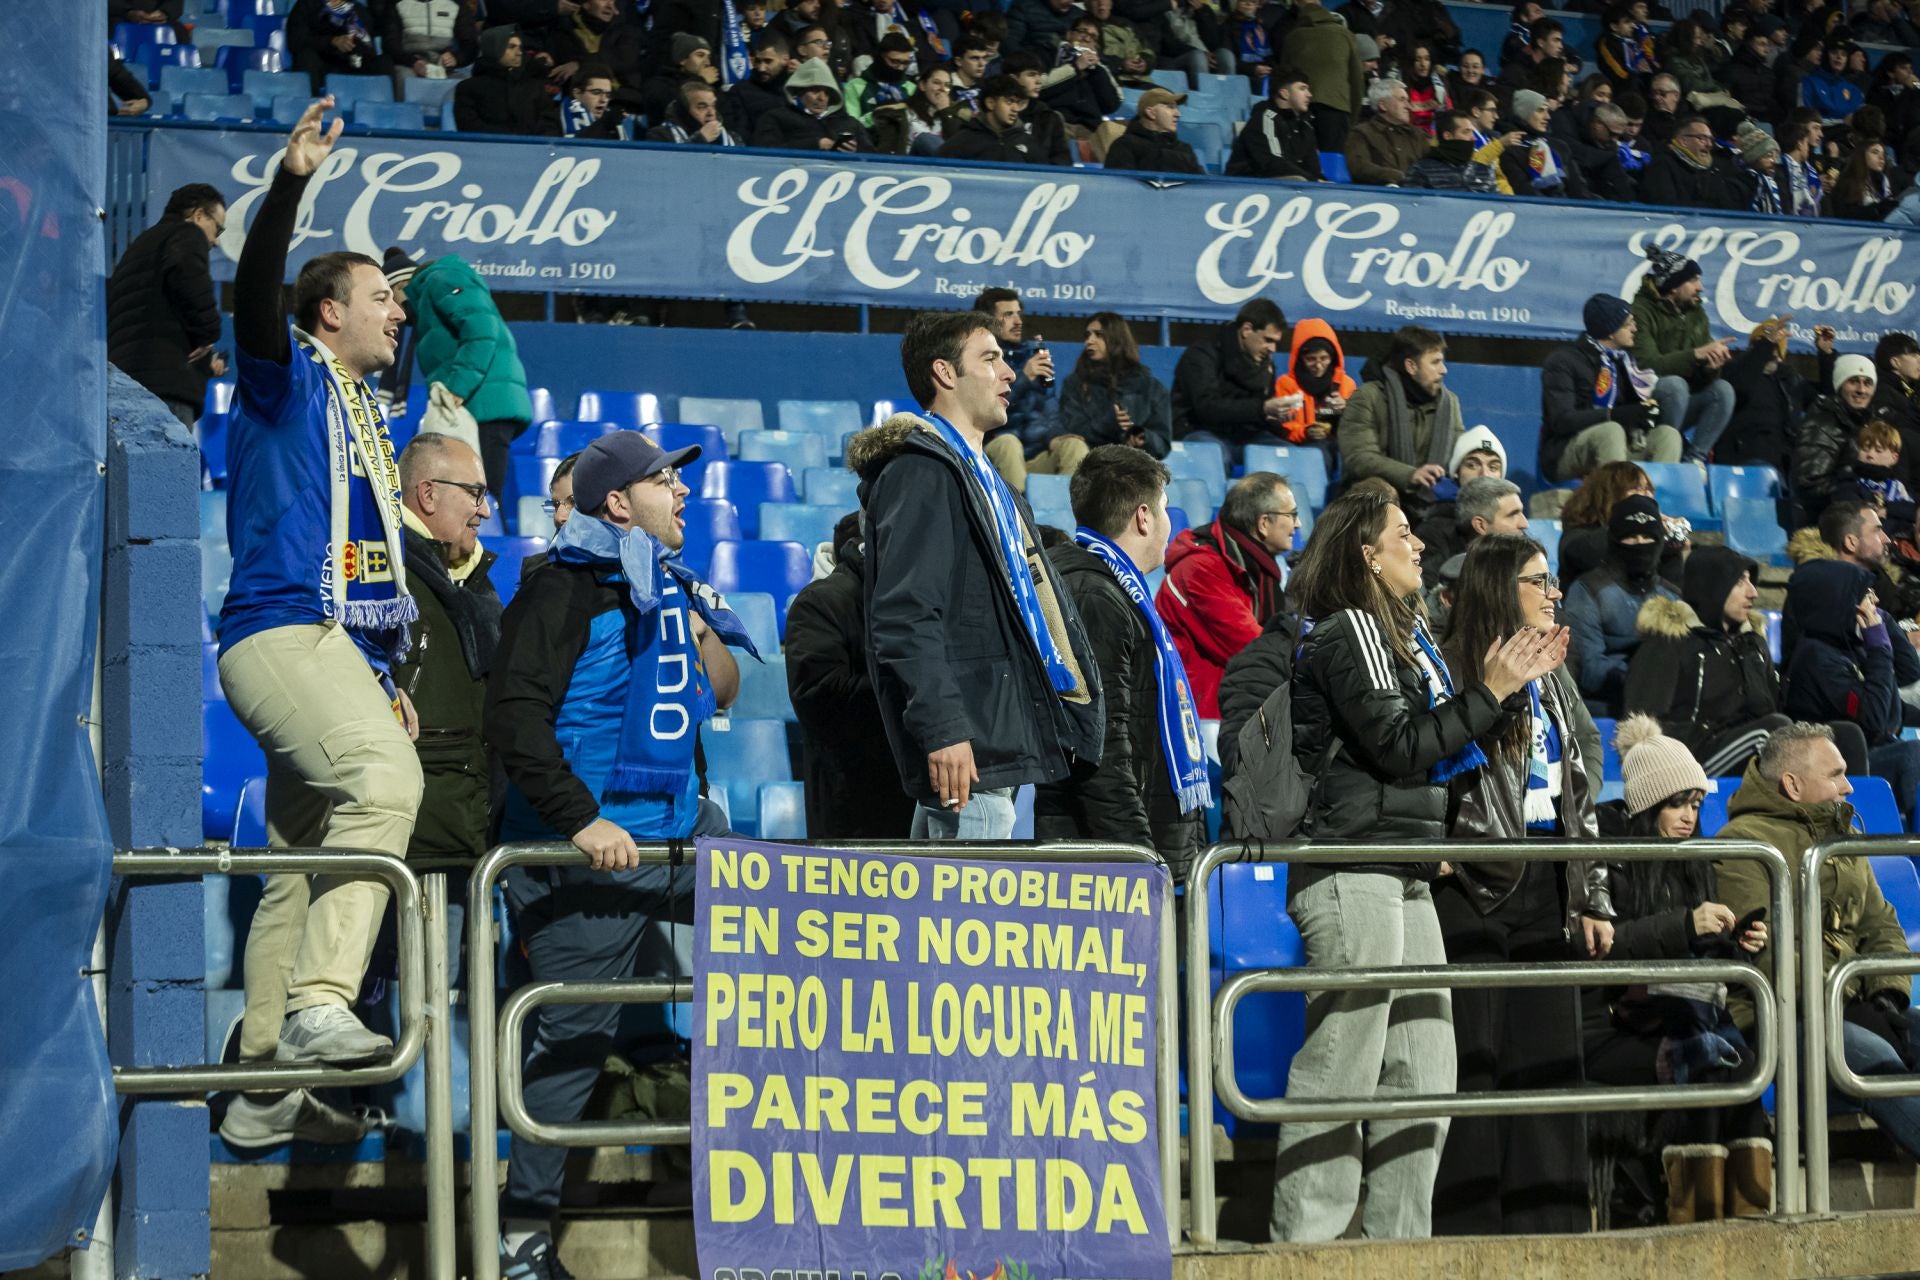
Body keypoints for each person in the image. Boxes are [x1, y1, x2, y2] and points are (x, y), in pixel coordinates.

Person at [486, 432, 750, 1276]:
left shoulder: (660, 589)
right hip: (584, 862)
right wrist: (580, 822)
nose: (680, 493)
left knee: (791, 941)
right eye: (663, 481)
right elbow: (516, 724)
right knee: (572, 1044)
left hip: (669, 835)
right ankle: (519, 1242)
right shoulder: (561, 593)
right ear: (615, 504)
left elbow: (702, 700)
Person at [1272, 488, 1563, 1243]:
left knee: (1426, 1077)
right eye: (1404, 534)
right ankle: (1306, 1246)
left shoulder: (1405, 637)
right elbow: (1400, 746)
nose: (1421, 545)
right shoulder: (1352, 631)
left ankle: (1399, 1249)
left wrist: (1501, 698)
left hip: (1403, 871)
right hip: (1350, 869)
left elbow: (1437, 749)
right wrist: (1492, 692)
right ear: (1368, 555)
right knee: (1344, 1065)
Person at [214, 101, 420, 1148]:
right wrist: (291, 183)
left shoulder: (365, 413)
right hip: (278, 633)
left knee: (297, 863)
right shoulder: (284, 380)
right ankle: (319, 1004)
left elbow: (364, 564)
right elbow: (256, 292)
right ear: (326, 314)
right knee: (387, 785)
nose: (398, 312)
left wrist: (385, 669)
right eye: (380, 297)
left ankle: (257, 1082)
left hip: (332, 645)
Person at [847, 311, 1104, 840]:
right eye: (990, 359)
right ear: (944, 373)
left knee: (937, 920)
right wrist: (944, 730)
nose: (1009, 373)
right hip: (971, 749)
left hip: (993, 740)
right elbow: (905, 612)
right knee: (971, 919)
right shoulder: (922, 472)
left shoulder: (991, 484)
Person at [1436, 533, 1596, 1237]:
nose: (1553, 592)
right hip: (1473, 882)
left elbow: (1579, 781)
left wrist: (1590, 892)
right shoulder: (1451, 664)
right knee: (1475, 1069)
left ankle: (1554, 1231)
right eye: (1538, 581)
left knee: (1549, 1067)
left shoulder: (1556, 673)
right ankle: (1473, 1238)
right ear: (1502, 588)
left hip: (1548, 879)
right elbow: (1427, 761)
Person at [1588, 716, 1774, 1226]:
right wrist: (1686, 924)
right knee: (1707, 1063)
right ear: (1648, 803)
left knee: (1742, 1064)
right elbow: (1606, 947)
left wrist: (1737, 947)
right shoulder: (1609, 855)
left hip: (1677, 1015)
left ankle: (1745, 1216)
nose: (1690, 816)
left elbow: (1697, 962)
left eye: (1695, 803)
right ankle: (1695, 1220)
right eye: (1676, 804)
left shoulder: (1694, 861)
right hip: (1611, 1023)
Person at [1714, 723, 1920, 1162]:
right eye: (1836, 774)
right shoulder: (1742, 845)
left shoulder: (1841, 835)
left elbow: (1882, 925)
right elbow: (1770, 958)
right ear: (1793, 784)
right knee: (1871, 1055)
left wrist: (1885, 994)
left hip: (1852, 1004)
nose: (1848, 785)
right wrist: (1850, 1001)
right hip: (1781, 1019)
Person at [1036, 447, 1210, 874]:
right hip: (1109, 866)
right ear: (1144, 516)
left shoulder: (1116, 592)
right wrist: (1138, 859)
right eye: (1167, 510)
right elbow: (1102, 748)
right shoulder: (1095, 597)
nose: (1173, 525)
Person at [390, 433, 502, 871]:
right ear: (428, 494)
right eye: (475, 493)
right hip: (413, 846)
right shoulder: (381, 577)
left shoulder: (475, 580)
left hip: (467, 839)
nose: (486, 511)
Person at [784, 512, 917, 838]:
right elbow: (821, 699)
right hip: (852, 814)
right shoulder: (821, 601)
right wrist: (916, 682)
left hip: (914, 800)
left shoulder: (914, 600)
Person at [1625, 546, 1788, 776]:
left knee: (1844, 735)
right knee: (1774, 732)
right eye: (1740, 582)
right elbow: (1642, 726)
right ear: (1712, 587)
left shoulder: (1753, 645)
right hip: (1689, 760)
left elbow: (1774, 707)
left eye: (1751, 582)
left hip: (1754, 746)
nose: (1753, 592)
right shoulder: (1669, 643)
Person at [1781, 559, 1920, 827]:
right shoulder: (1816, 657)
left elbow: (1908, 671)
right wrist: (1878, 644)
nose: (1875, 598)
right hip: (1839, 767)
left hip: (1875, 750)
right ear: (1840, 601)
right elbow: (1875, 718)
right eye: (1867, 595)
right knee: (1914, 753)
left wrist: (1883, 621)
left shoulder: (1846, 645)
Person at [1156, 472, 1297, 718]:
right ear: (1264, 523)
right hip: (1203, 715)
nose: (1298, 524)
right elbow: (1255, 647)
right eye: (1292, 515)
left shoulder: (1258, 567)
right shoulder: (1201, 569)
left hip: (1237, 702)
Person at [403, 253, 533, 507]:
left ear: (401, 286)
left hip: (482, 405)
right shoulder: (438, 286)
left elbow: (482, 330)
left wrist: (457, 386)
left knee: (478, 497)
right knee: (474, 494)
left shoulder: (441, 279)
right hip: (483, 404)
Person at [107, 182, 227, 429]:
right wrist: (210, 334)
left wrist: (205, 365)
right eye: (218, 229)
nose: (215, 241)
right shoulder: (187, 234)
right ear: (199, 215)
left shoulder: (140, 247)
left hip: (123, 387)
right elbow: (188, 277)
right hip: (166, 392)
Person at [1540, 294, 1685, 483]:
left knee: (1668, 435)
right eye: (1628, 324)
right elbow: (1562, 420)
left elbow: (1628, 412)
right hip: (1566, 450)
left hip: (1618, 447)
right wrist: (1614, 415)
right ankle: (1617, 507)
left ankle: (1655, 505)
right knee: (1610, 430)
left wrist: (1643, 415)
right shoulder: (1563, 361)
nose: (1635, 329)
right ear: (1610, 330)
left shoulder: (1623, 361)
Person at [1565, 494, 1679, 716]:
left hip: (1665, 708)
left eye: (1647, 537)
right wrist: (1640, 680)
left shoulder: (1672, 595)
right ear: (1614, 540)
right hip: (1607, 708)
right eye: (1631, 537)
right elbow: (1588, 668)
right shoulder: (1588, 590)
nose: (1640, 544)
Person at [1630, 245, 1737, 464]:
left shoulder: (1697, 315)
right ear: (1673, 286)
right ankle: (1667, 454)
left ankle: (1693, 461)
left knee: (1722, 390)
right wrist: (1696, 354)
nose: (1700, 287)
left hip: (1680, 404)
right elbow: (1646, 366)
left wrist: (1709, 369)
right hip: (1646, 406)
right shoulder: (1641, 310)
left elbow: (1698, 378)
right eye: (1693, 280)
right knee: (1674, 385)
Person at [1338, 325, 1464, 510]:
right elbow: (1359, 457)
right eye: (1435, 362)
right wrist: (1410, 475)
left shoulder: (1450, 403)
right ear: (1411, 366)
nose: (1443, 370)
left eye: (1442, 362)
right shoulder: (1368, 397)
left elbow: (1460, 450)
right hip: (1373, 504)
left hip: (1431, 505)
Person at [1171, 298, 1291, 464]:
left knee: (1288, 455)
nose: (1273, 349)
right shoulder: (1202, 355)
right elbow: (1206, 407)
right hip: (1198, 430)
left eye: (1276, 343)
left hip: (1245, 436)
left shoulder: (1265, 363)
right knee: (1215, 456)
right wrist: (1261, 409)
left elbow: (1259, 412)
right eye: (1268, 340)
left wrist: (1274, 418)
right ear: (1246, 330)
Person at [972, 288, 1066, 493]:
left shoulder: (1032, 356)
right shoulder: (977, 358)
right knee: (1009, 444)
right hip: (994, 451)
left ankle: (1068, 521)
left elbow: (1049, 405)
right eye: (1008, 315)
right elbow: (984, 408)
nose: (1018, 321)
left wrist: (1057, 435)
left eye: (1019, 314)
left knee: (1072, 447)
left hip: (1035, 457)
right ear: (987, 321)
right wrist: (1023, 378)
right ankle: (1020, 524)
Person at [1057, 312, 1174, 458]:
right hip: (1089, 464)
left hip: (1133, 466)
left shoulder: (1151, 388)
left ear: (1117, 339)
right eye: (1087, 335)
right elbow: (1073, 433)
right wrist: (1110, 423)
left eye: (1098, 335)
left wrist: (1142, 437)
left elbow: (1162, 444)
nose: (1089, 341)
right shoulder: (1075, 384)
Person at [1792, 354, 1884, 521]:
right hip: (1828, 524)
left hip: (1861, 519)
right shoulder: (1822, 424)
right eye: (1853, 381)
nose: (1861, 390)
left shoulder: (1870, 424)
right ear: (1840, 385)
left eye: (1867, 383)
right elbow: (1809, 484)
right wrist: (1859, 496)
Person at [1280, 0, 1367, 150]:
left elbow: (1282, 77)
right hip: (1337, 109)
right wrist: (1352, 117)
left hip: (1301, 110)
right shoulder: (1345, 35)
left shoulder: (1292, 37)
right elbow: (1357, 80)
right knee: (1332, 162)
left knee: (1304, 161)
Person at [1415, 475, 1528, 588]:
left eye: (1522, 513)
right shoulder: (1435, 543)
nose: (1524, 524)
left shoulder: (1524, 548)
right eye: (1513, 515)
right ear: (1481, 526)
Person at [1270, 318, 1355, 465]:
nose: (1319, 365)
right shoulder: (1286, 385)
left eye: (1324, 358)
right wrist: (1305, 432)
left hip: (1340, 445)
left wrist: (1347, 407)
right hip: (1304, 447)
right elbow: (1283, 429)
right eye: (1311, 359)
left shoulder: (1346, 384)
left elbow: (1359, 425)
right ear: (1299, 358)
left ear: (1333, 357)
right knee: (1318, 454)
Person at [453, 26, 560, 135]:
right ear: (494, 48)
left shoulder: (536, 86)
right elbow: (468, 127)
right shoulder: (468, 88)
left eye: (520, 47)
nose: (519, 53)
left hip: (532, 150)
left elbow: (549, 125)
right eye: (511, 47)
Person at [750, 58, 876, 150]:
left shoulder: (850, 123)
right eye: (815, 90)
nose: (822, 98)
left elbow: (873, 159)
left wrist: (856, 152)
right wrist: (815, 144)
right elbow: (765, 153)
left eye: (827, 92)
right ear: (799, 91)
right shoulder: (774, 118)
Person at [1227, 67, 1324, 179]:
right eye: (1302, 89)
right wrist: (1313, 180)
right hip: (1245, 184)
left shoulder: (1305, 126)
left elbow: (1314, 169)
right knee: (1298, 180)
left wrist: (1321, 182)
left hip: (1281, 183)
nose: (1309, 94)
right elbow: (1273, 163)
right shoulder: (1265, 118)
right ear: (1284, 94)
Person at [938, 73, 1052, 163]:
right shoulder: (963, 140)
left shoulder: (1028, 142)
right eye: (1009, 101)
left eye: (1018, 103)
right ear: (991, 103)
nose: (1015, 108)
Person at [288, 0, 389, 93]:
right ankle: (313, 105)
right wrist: (332, 41)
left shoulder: (358, 10)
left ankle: (382, 106)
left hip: (350, 64)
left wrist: (356, 46)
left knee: (383, 62)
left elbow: (369, 49)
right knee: (307, 57)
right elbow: (296, 41)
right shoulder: (307, 5)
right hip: (321, 64)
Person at [1346, 78, 1434, 184]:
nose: (1408, 106)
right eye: (1402, 100)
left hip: (1417, 196)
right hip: (1378, 196)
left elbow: (1432, 165)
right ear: (1383, 105)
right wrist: (1398, 176)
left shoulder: (1418, 134)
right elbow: (1358, 167)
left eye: (1407, 100)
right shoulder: (1361, 133)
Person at [1104, 87, 1207, 174]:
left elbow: (1201, 186)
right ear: (1151, 113)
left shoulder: (1184, 148)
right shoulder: (1125, 145)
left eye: (1177, 108)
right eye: (1170, 107)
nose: (1178, 114)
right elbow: (1119, 187)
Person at [377, 0, 479, 82]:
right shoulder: (396, 3)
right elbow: (389, 44)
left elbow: (470, 44)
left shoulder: (456, 4)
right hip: (408, 65)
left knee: (465, 84)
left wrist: (456, 58)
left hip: (444, 67)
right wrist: (413, 62)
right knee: (405, 78)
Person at [1403, 109, 1498, 190]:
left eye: (1472, 132)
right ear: (1447, 136)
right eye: (1466, 132)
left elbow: (1497, 204)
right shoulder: (1422, 170)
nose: (1473, 138)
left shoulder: (1484, 170)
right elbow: (1414, 205)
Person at [646, 81, 744, 145]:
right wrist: (700, 140)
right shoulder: (660, 136)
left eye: (713, 106)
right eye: (702, 107)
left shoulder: (733, 138)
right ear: (684, 111)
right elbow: (665, 170)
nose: (711, 113)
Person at [1824, 139, 1900, 220]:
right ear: (1862, 155)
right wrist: (1877, 208)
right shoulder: (1847, 182)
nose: (1881, 158)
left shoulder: (1881, 182)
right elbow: (1846, 215)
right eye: (1875, 152)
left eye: (1883, 154)